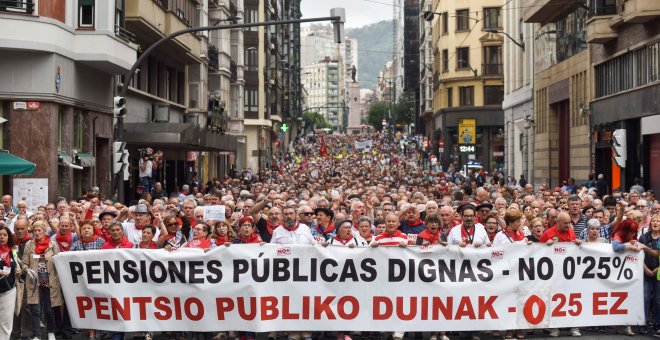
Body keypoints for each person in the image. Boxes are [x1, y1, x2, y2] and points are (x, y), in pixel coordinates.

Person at [21, 221, 62, 340]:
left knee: (49, 309)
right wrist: (26, 270)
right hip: (34, 281)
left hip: (50, 281)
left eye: (39, 230)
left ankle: (51, 332)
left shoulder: (52, 244)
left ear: (44, 231)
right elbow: (24, 262)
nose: (37, 233)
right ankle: (36, 335)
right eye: (35, 231)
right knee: (35, 309)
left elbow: (58, 261)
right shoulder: (29, 244)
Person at [639, 215, 660, 335]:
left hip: (658, 272)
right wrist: (646, 269)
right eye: (654, 221)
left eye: (658, 221)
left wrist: (657, 269)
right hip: (645, 271)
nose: (655, 223)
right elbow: (639, 255)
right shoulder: (644, 237)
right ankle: (643, 324)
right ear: (650, 223)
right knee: (645, 298)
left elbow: (658, 254)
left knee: (658, 300)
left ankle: (657, 324)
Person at [0, 225, 19, 339]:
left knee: (6, 322)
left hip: (9, 290)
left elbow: (15, 264)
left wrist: (18, 270)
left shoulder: (12, 250)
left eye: (5, 235)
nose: (2, 237)